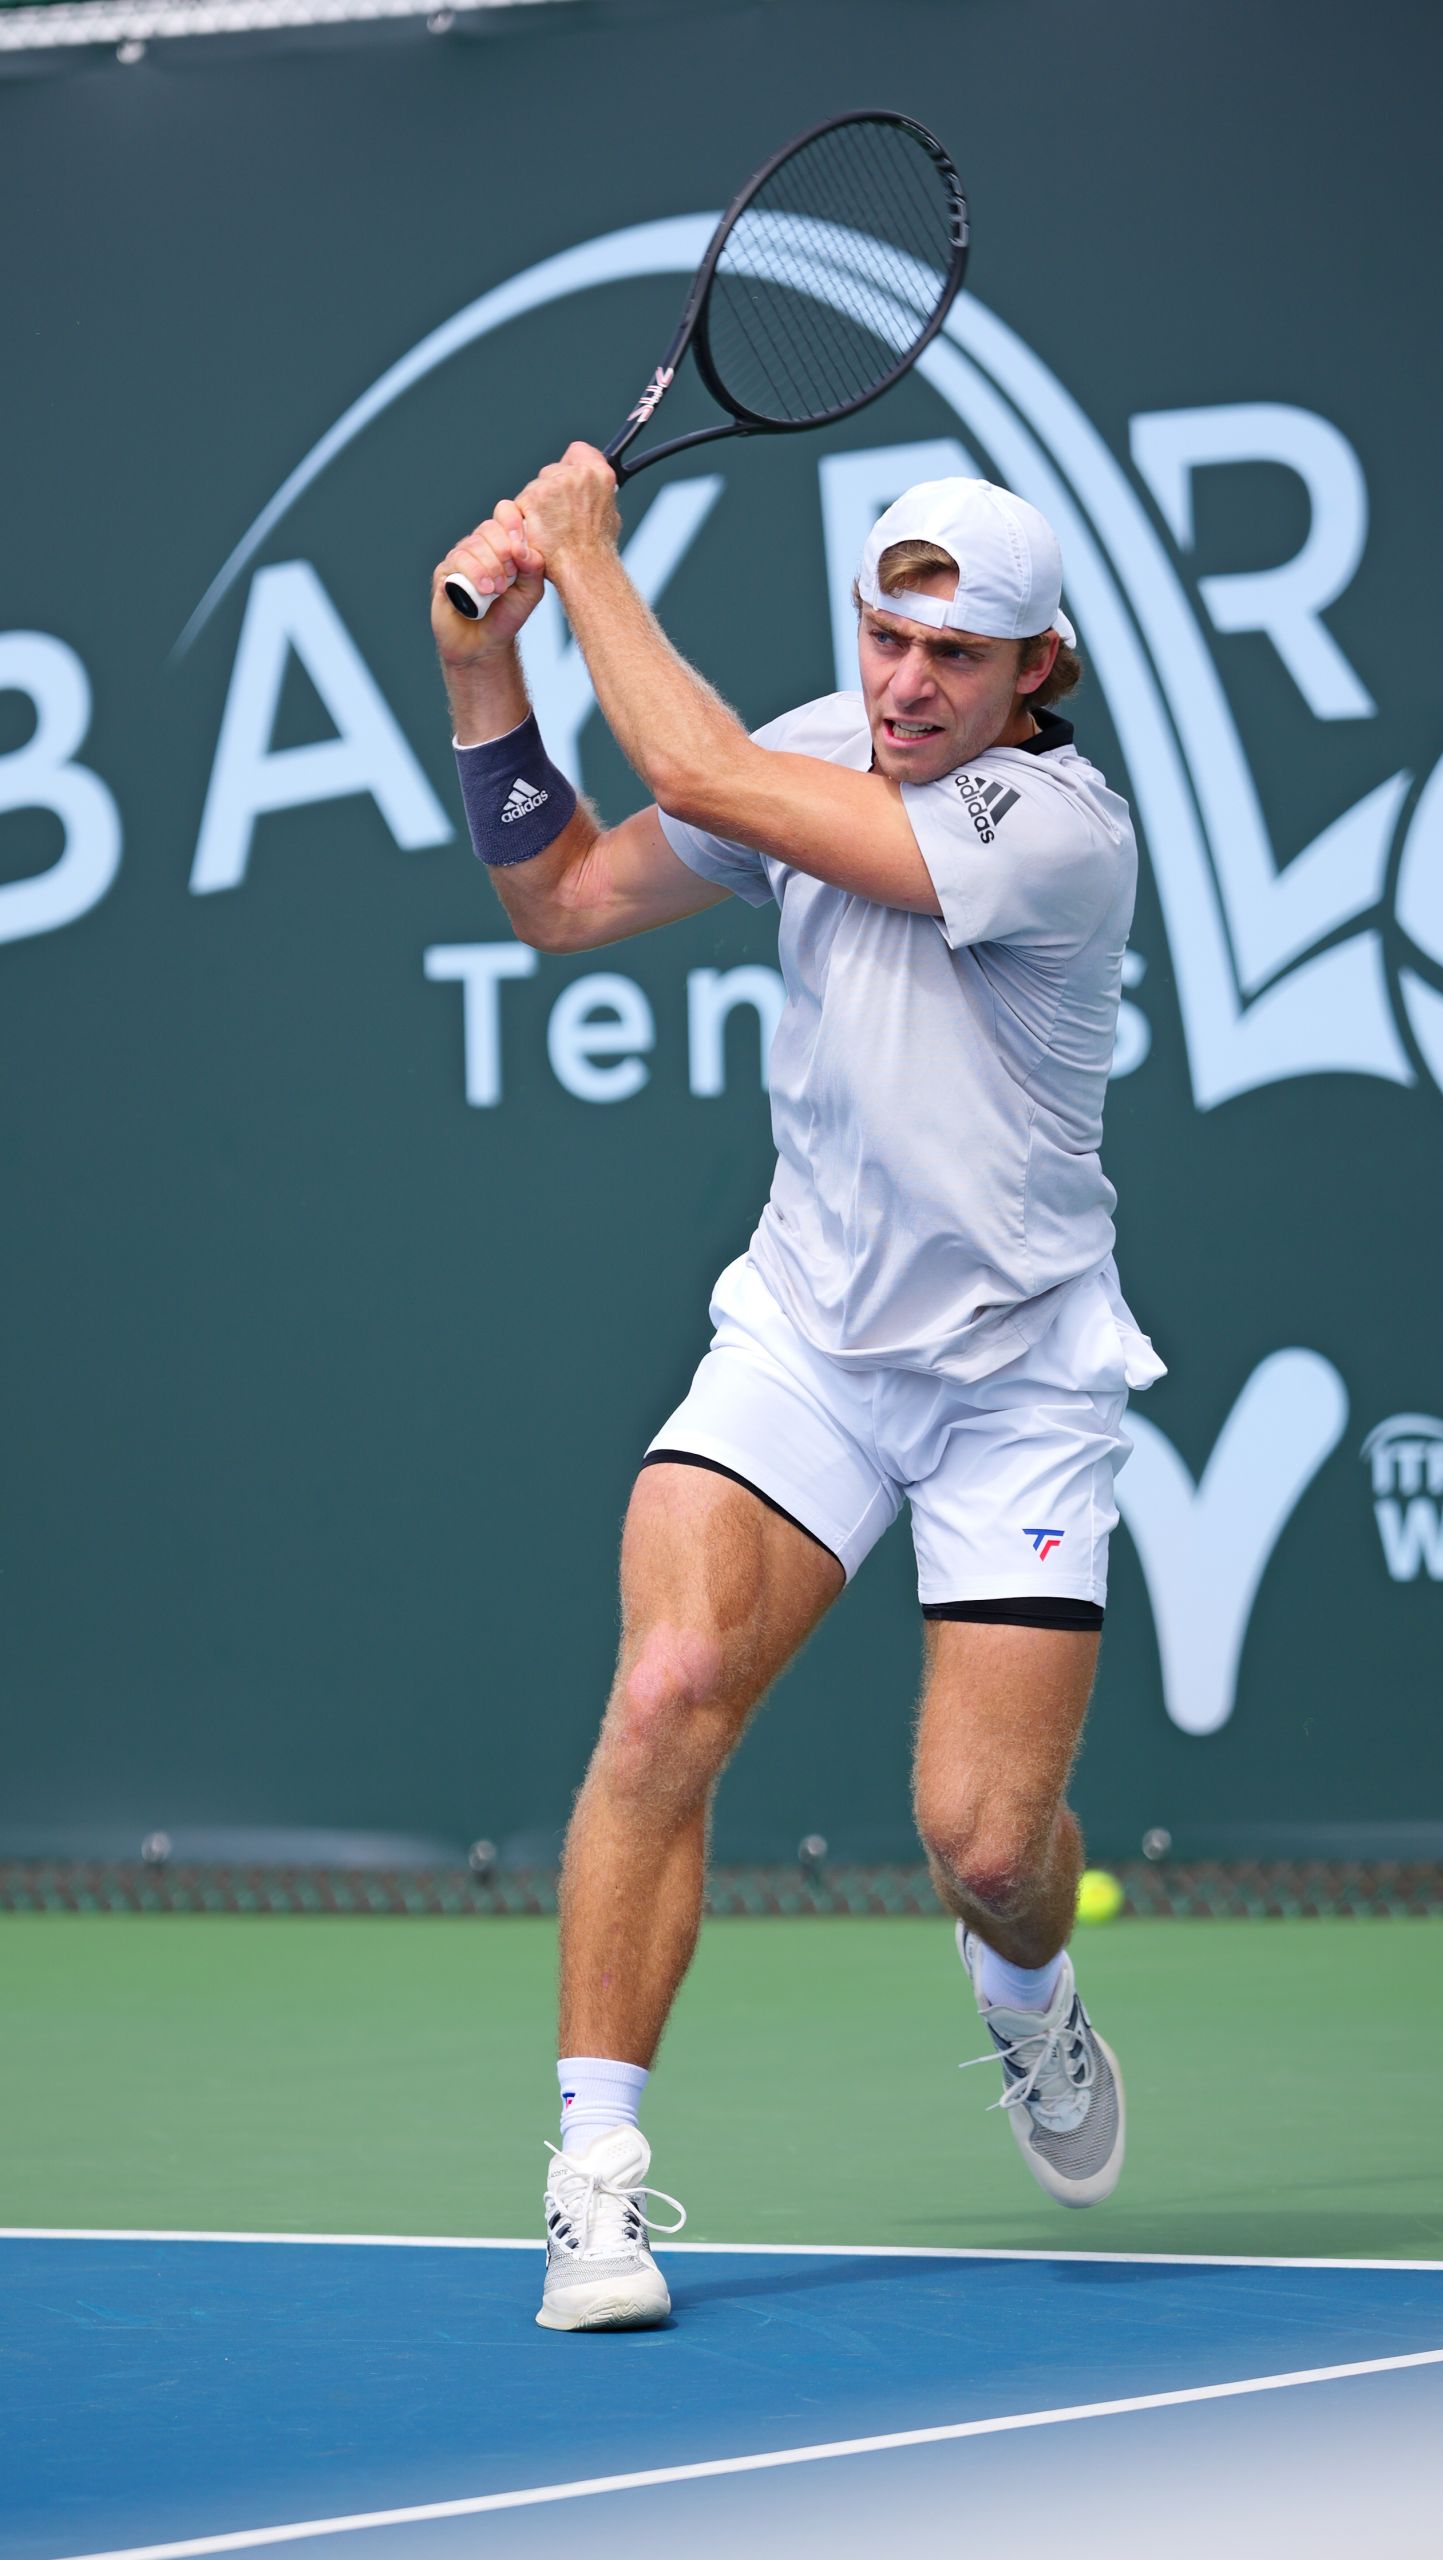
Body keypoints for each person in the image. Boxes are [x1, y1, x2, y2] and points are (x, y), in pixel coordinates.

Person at [431, 456, 1165, 2333]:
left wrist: (583, 559)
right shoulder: (823, 746)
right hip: (808, 1342)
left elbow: (695, 773)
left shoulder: (1056, 831)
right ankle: (594, 2180)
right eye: (885, 636)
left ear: (1035, 669)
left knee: (987, 1847)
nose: (907, 682)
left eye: (955, 655)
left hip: (1016, 1378)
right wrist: (483, 677)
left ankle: (1025, 1990)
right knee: (664, 1689)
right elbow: (563, 899)